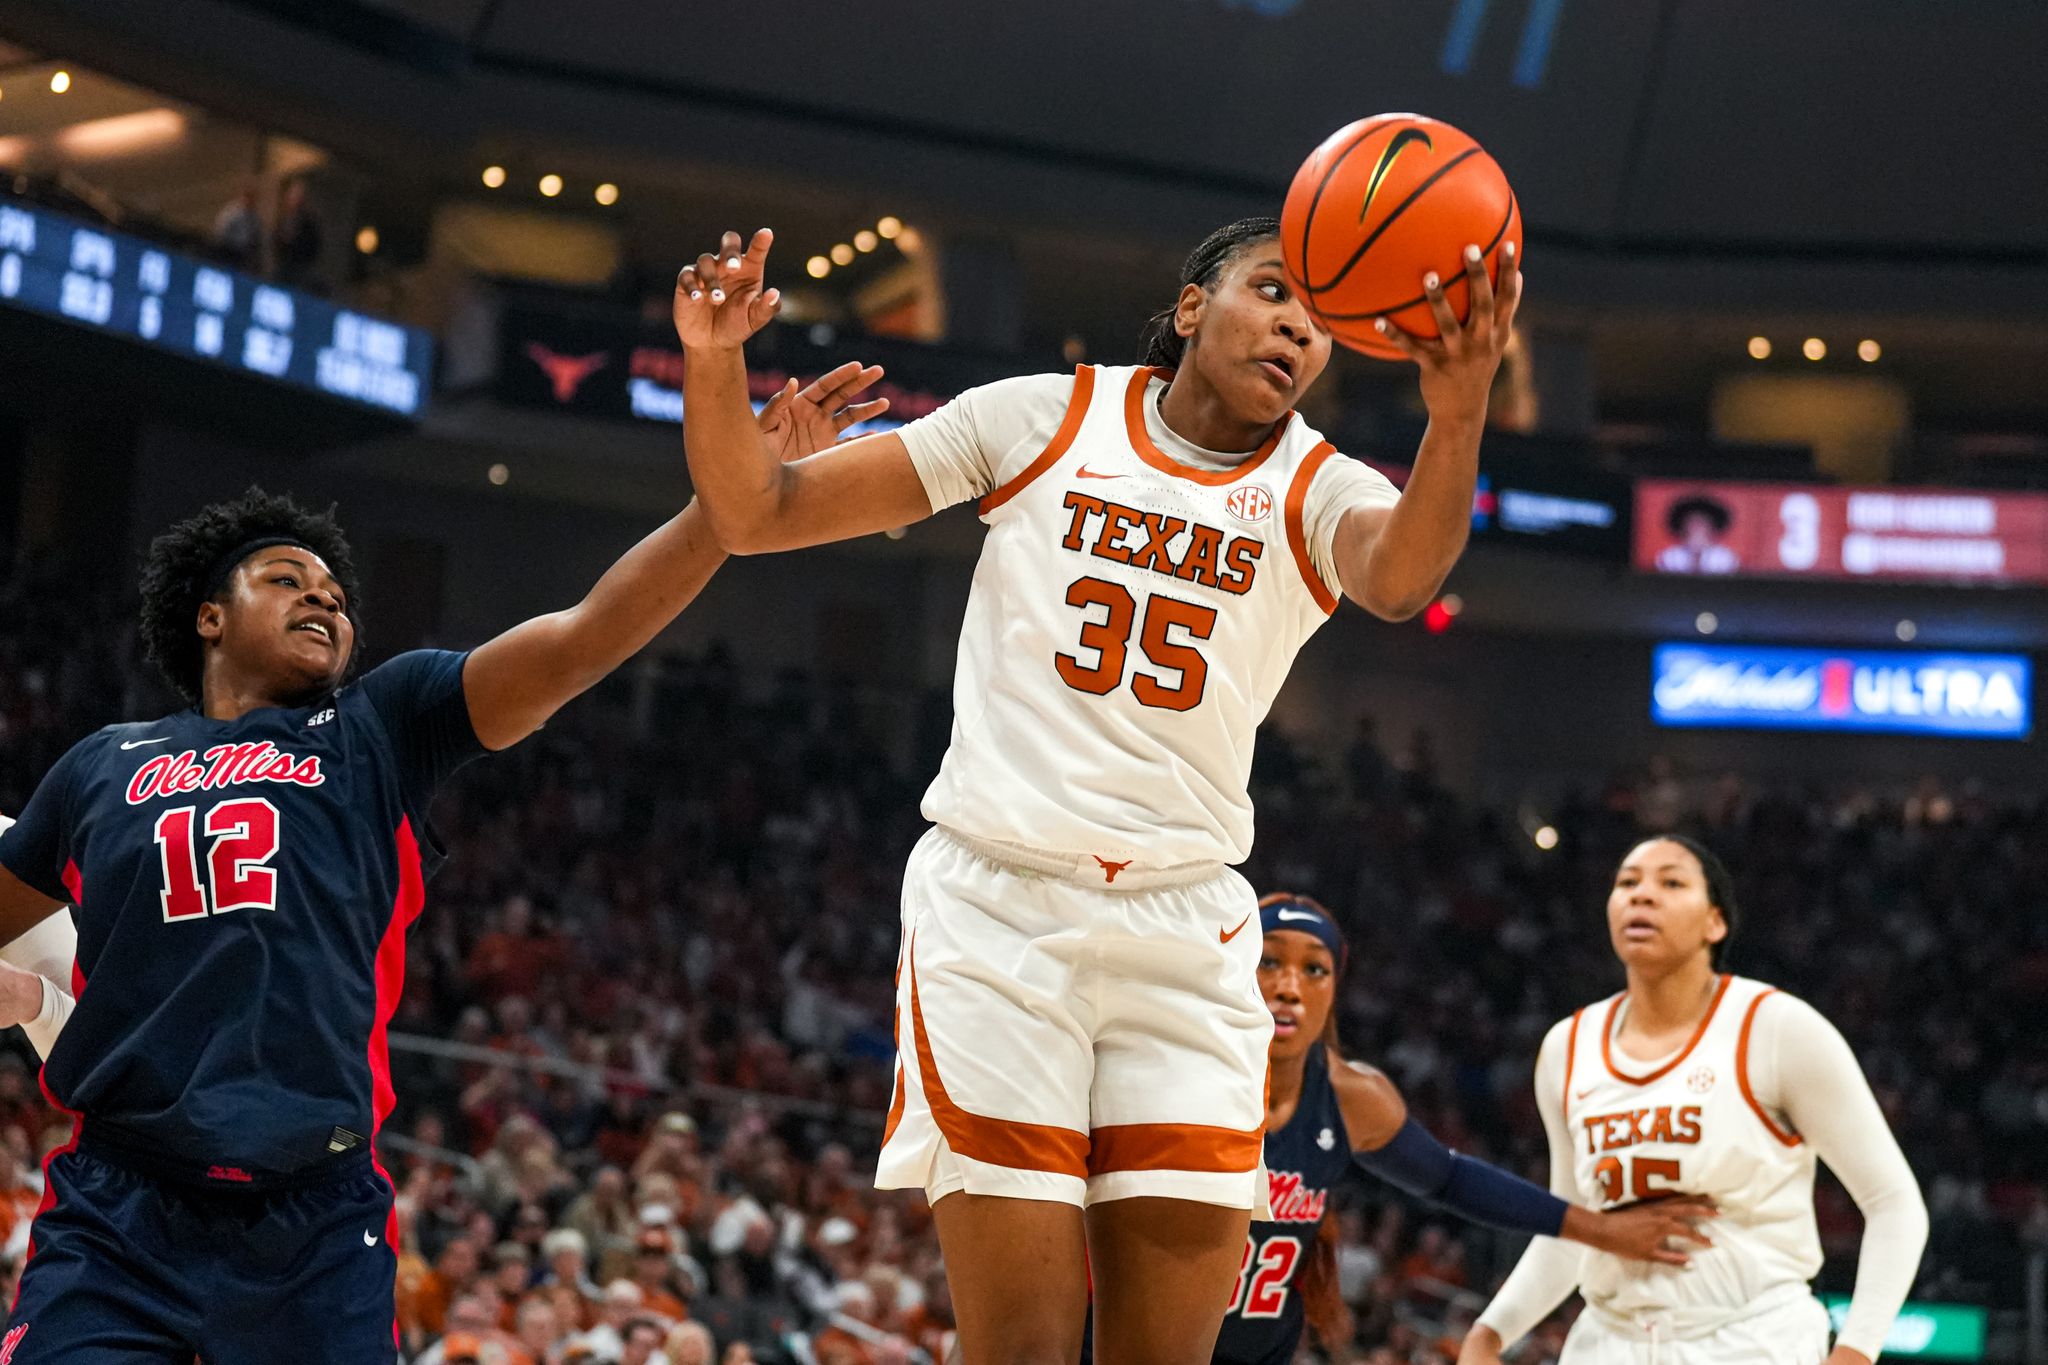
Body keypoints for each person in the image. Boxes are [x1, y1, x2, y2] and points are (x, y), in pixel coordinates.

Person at [671, 217, 1521, 1365]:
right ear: (1187, 308)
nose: (1294, 330)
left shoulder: (1316, 485)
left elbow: (1401, 573)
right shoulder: (1040, 417)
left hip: (1186, 922)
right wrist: (715, 362)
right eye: (1271, 292)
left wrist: (1457, 408)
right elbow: (756, 512)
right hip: (1000, 913)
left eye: (1319, 326)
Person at [0, 371, 876, 1363]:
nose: (322, 598)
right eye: (288, 579)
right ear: (209, 615)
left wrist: (726, 505)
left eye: (334, 593)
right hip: (121, 1208)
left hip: (313, 1222)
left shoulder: (380, 723)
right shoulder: (101, 763)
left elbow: (584, 637)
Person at [1082, 893, 1715, 1365]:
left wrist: (1602, 1229)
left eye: (1314, 970)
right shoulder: (1167, 1076)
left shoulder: (1354, 1099)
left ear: (1335, 989)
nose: (1289, 988)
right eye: (1268, 962)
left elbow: (1450, 1179)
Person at [1458, 836, 1929, 1365]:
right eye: (1627, 883)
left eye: (1672, 882)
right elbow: (1577, 1226)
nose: (1642, 895)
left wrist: (1856, 1352)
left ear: (1715, 923)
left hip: (1752, 1338)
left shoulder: (1777, 1028)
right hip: (1609, 1343)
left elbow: (1893, 1202)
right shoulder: (1567, 1048)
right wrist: (1490, 1331)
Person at [1654, 495, 1738, 574]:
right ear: (1684, 527)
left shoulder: (1725, 556)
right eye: (1692, 522)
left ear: (1711, 527)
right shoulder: (1669, 556)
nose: (1697, 526)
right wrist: (1693, 554)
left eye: (1702, 522)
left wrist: (1700, 553)